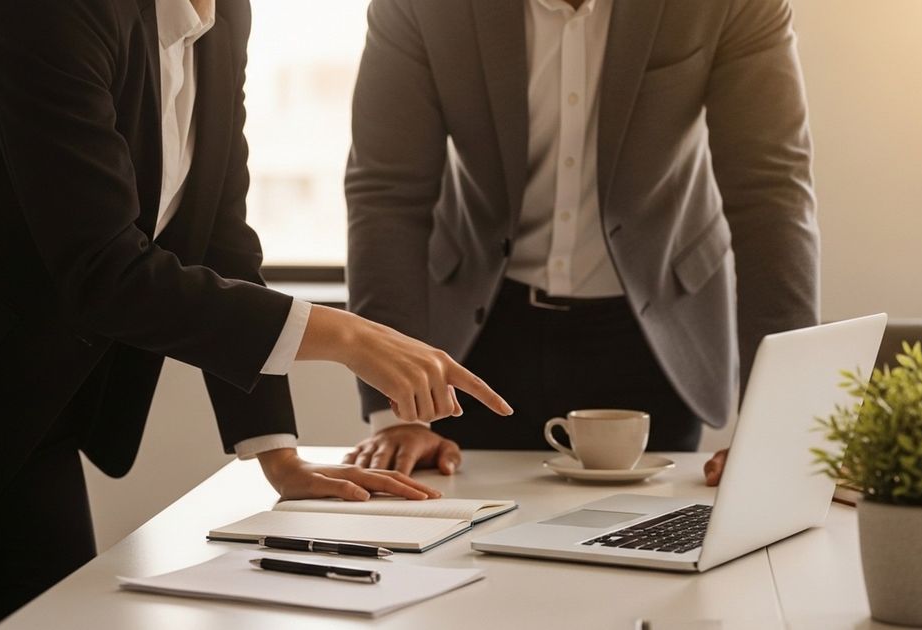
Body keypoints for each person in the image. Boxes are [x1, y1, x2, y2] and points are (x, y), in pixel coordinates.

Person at [0, 0, 510, 623]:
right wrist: (342, 334)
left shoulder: (221, 16)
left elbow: (219, 234)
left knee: (63, 614)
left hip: (35, 397)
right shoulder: (50, 11)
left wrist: (276, 454)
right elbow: (105, 270)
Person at [343, 0, 818, 484]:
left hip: (654, 334)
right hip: (478, 337)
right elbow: (387, 195)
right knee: (469, 543)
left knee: (648, 543)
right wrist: (396, 413)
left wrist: (777, 426)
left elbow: (770, 193)